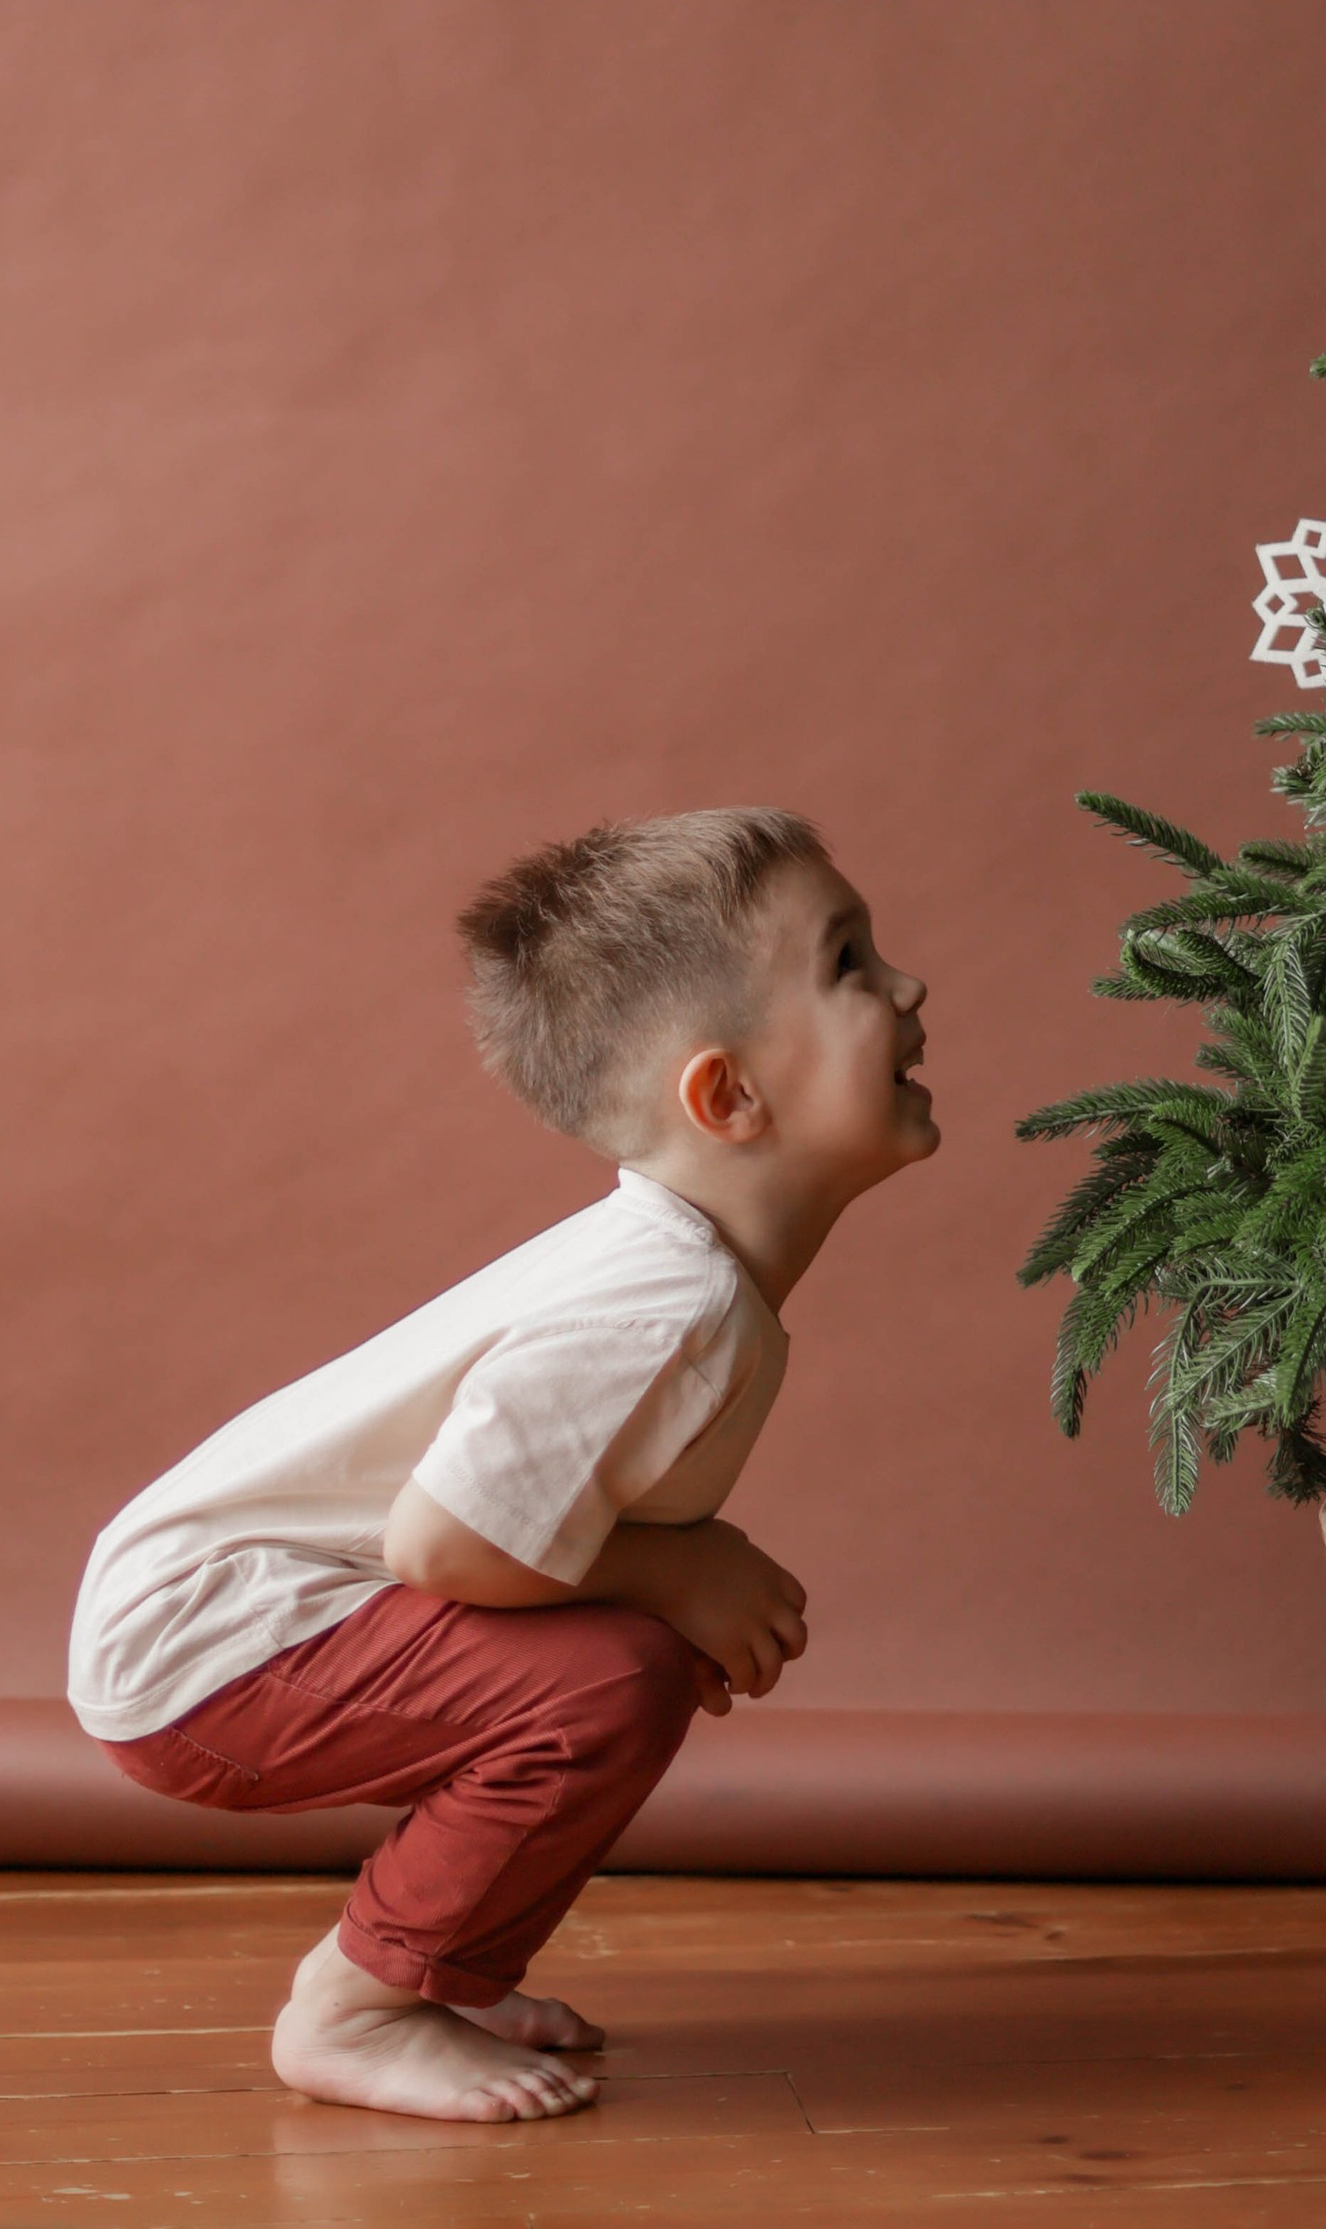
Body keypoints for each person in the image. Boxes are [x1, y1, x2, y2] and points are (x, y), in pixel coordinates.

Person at [67, 809, 934, 2124]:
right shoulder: (662, 1302)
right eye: (851, 964)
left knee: (607, 1674)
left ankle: (445, 1970)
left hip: (246, 1611)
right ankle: (357, 2006)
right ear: (729, 1096)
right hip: (203, 1635)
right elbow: (445, 1548)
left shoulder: (684, 1276)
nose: (909, 986)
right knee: (606, 1685)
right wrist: (679, 1568)